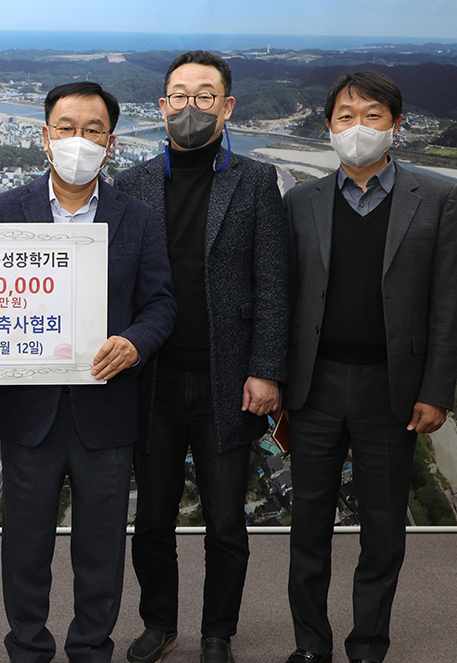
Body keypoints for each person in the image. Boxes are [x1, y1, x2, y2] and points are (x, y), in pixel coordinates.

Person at [0, 82, 177, 663]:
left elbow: (161, 304)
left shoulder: (137, 218)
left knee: (100, 550)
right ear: (44, 137)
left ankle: (92, 648)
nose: (77, 140)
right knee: (25, 547)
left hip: (106, 410)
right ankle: (28, 648)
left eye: (92, 130)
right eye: (65, 127)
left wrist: (135, 343)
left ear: (110, 143)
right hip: (28, 413)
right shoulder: (5, 211)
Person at [114, 50, 289, 663]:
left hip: (229, 378)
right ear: (162, 105)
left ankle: (218, 631)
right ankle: (159, 622)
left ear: (227, 106)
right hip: (152, 379)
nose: (191, 107)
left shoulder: (256, 180)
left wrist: (266, 370)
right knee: (154, 518)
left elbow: (272, 284)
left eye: (204, 95)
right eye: (179, 95)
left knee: (225, 522)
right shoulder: (132, 182)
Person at [281, 71, 457, 663]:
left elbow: (447, 305)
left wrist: (438, 390)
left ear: (396, 125)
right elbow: (283, 298)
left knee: (384, 529)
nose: (358, 128)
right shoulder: (300, 202)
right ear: (328, 126)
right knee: (308, 525)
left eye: (373, 115)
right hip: (315, 385)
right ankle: (311, 645)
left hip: (393, 388)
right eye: (345, 116)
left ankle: (368, 647)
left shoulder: (436, 197)